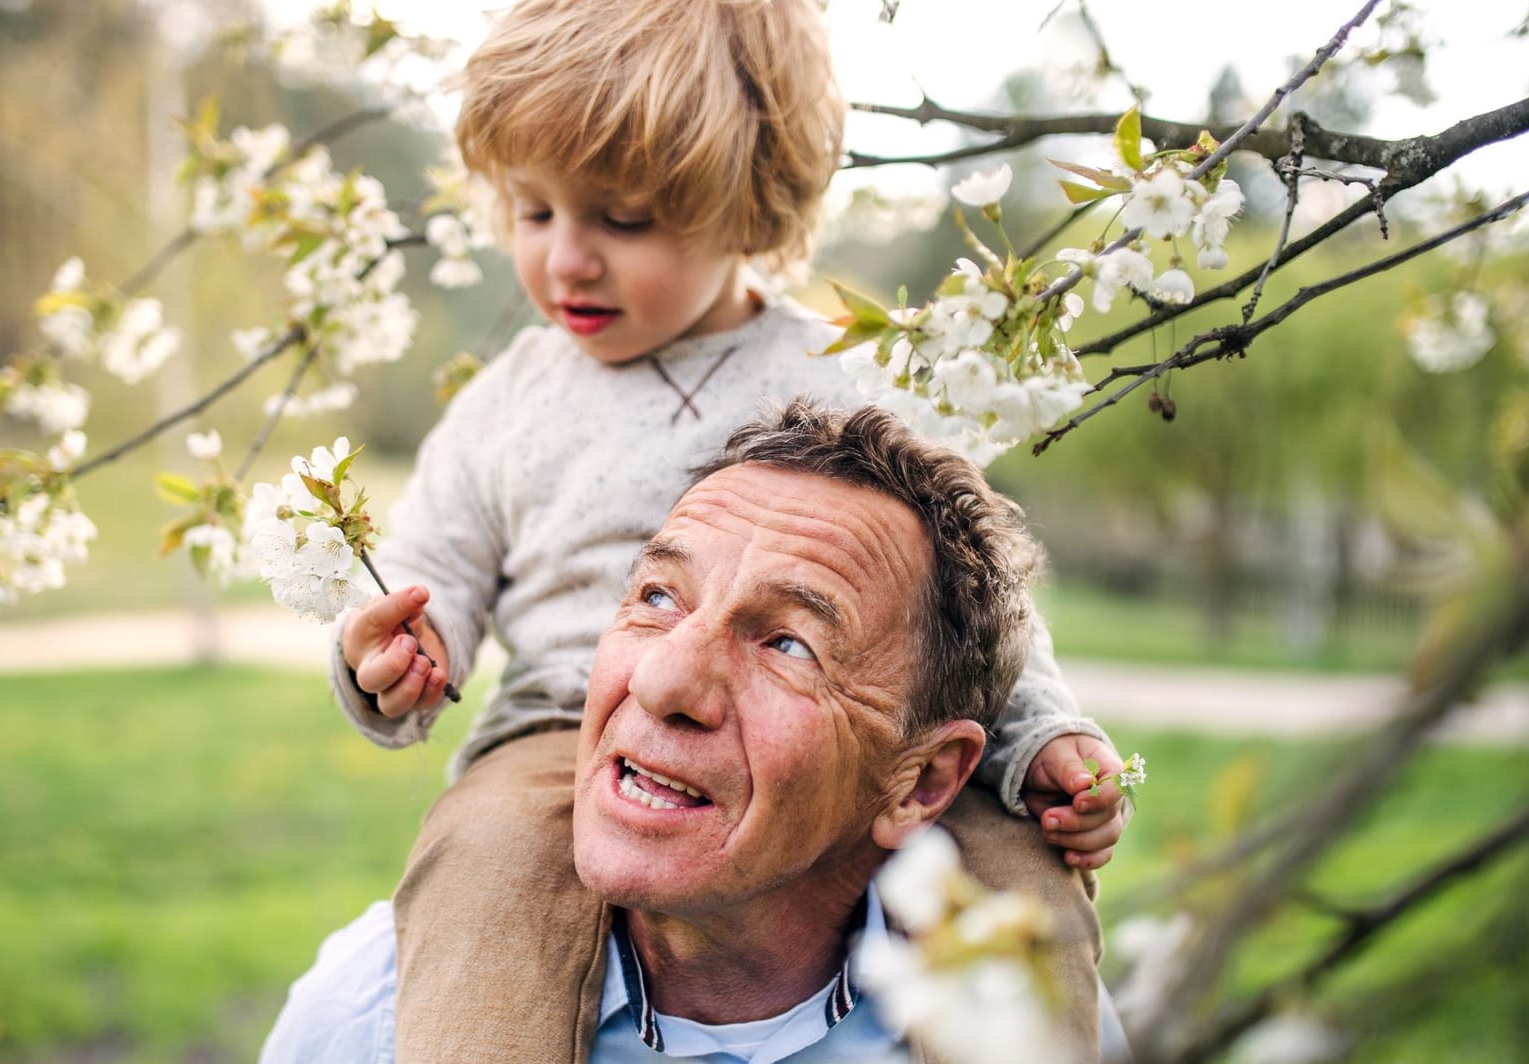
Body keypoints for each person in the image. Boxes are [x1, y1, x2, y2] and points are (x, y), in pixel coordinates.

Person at [328, 0, 1129, 1058]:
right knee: (483, 863)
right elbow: (429, 571)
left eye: (621, 218)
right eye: (534, 212)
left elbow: (971, 604)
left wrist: (1041, 738)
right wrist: (395, 649)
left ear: (747, 209)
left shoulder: (849, 378)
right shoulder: (508, 404)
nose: (566, 258)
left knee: (1017, 874)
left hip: (842, 746)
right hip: (563, 739)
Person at [271, 402, 1107, 1062]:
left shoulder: (1040, 1017)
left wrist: (1048, 737)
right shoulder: (374, 1020)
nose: (663, 680)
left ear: (923, 781)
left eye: (789, 644)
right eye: (658, 597)